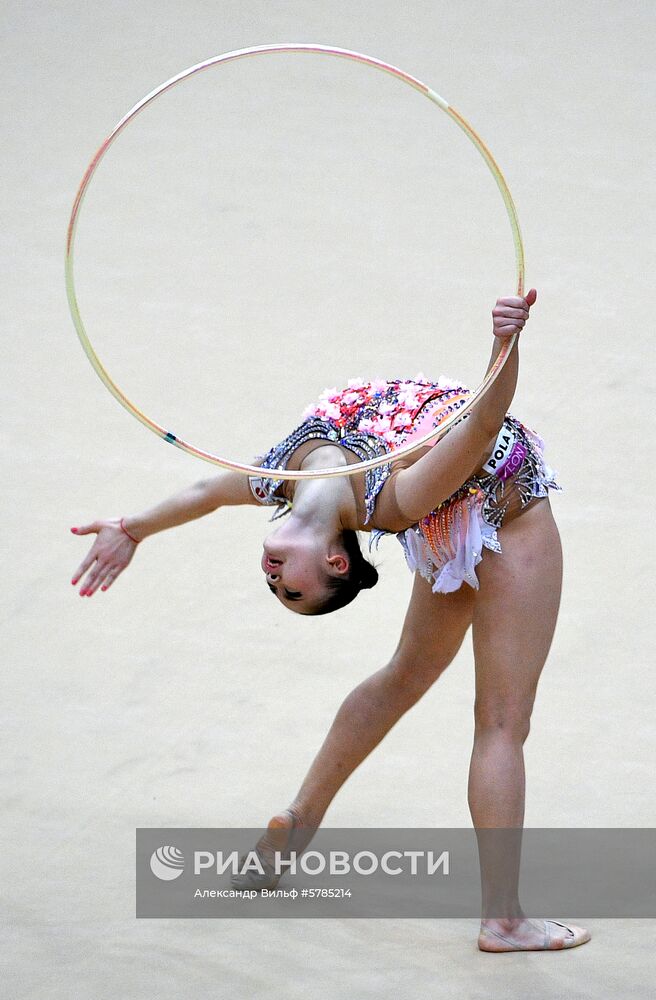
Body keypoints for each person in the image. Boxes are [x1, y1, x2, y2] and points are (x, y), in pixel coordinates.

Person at [70, 290, 591, 951]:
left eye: (275, 587)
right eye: (290, 592)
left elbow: (207, 491)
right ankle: (505, 920)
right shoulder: (397, 500)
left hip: (464, 510)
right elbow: (484, 425)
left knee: (410, 677)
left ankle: (300, 825)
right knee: (500, 720)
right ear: (337, 565)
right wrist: (503, 345)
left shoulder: (282, 480)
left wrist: (132, 528)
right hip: (508, 517)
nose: (273, 581)